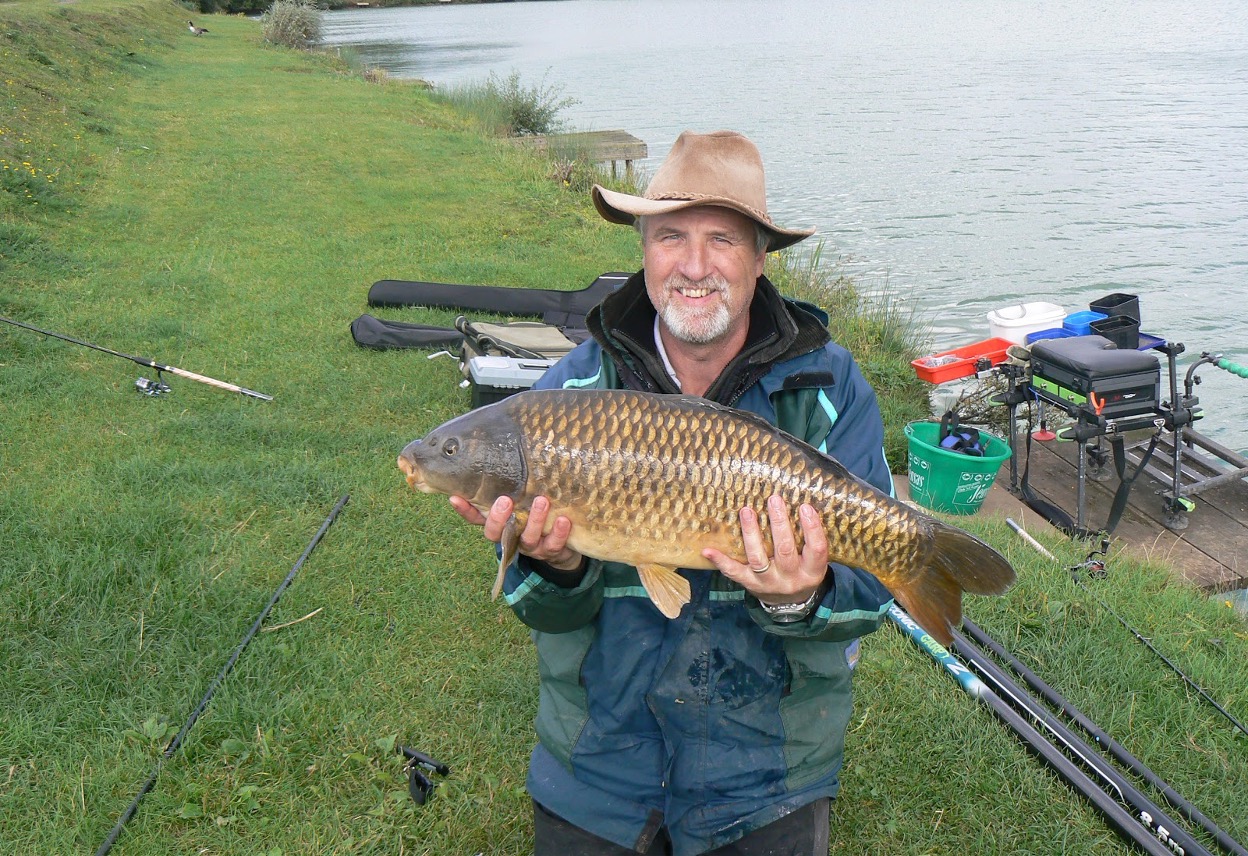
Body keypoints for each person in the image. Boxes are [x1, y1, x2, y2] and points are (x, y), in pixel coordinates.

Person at [448, 130, 896, 855]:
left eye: (722, 239)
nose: (694, 265)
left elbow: (873, 596)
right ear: (644, 250)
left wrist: (800, 597)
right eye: (670, 237)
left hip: (768, 774)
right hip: (597, 767)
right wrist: (555, 567)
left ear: (759, 258)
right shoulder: (567, 397)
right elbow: (544, 613)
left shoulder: (830, 390)